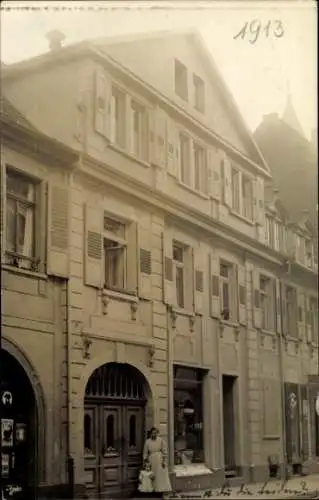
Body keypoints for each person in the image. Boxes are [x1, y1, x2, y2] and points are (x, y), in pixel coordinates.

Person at [143, 427, 172, 498]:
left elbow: (164, 451)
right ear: (150, 433)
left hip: (159, 459)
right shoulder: (147, 441)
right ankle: (152, 491)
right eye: (152, 433)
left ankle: (160, 491)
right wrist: (145, 460)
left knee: (160, 476)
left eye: (155, 433)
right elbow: (145, 452)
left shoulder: (161, 440)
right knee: (152, 475)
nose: (154, 434)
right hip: (151, 460)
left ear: (157, 433)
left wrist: (164, 461)